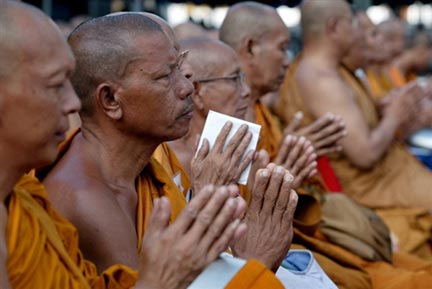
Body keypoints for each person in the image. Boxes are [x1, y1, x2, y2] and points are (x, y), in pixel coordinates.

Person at [41, 12, 287, 288]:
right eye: (164, 77)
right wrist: (255, 264)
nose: (185, 88)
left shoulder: (142, 169)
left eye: (180, 70)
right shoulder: (86, 200)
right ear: (110, 99)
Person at [1, 2, 237, 289]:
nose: (73, 103)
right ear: (110, 100)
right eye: (54, 85)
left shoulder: (21, 205)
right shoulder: (77, 198)